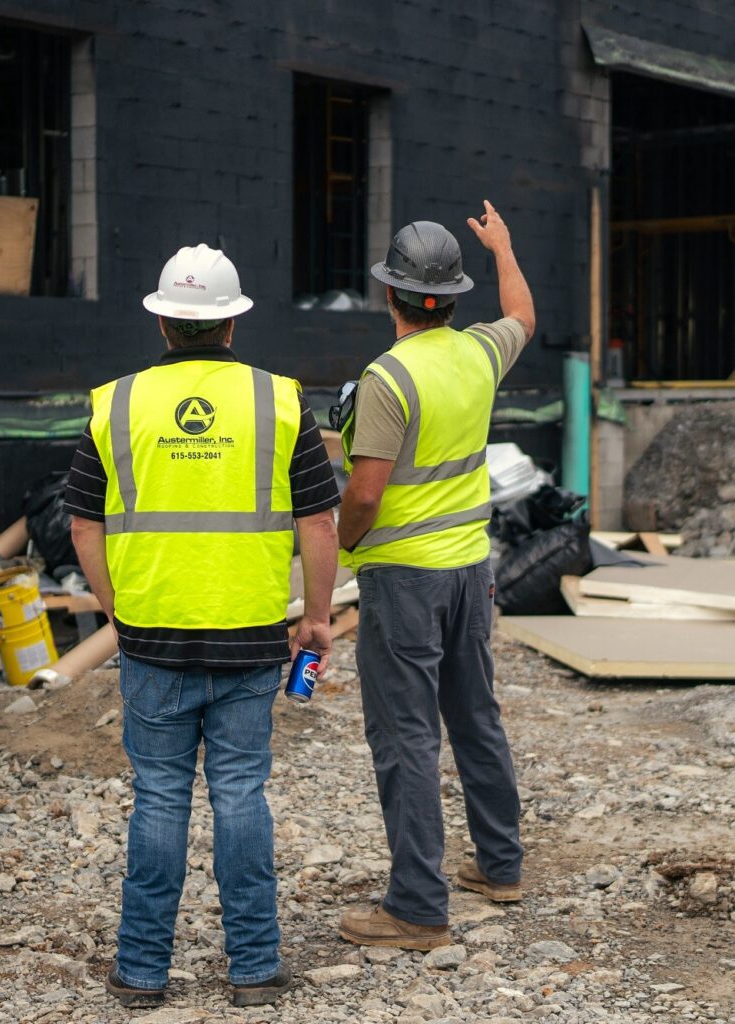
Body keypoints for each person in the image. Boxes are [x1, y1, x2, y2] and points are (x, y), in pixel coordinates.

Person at [65, 243, 340, 1007]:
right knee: (241, 793)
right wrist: (315, 617)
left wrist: (118, 605)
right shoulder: (280, 401)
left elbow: (83, 523)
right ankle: (253, 970)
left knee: (157, 795)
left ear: (161, 320)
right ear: (230, 324)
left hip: (152, 634)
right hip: (251, 634)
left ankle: (142, 973)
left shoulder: (113, 403)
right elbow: (317, 522)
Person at [335, 204, 535, 950]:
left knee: (406, 736)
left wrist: (343, 545)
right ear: (451, 297)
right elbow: (520, 312)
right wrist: (503, 249)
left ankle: (417, 908)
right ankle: (500, 865)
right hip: (466, 569)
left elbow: (363, 492)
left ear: (390, 294)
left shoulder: (387, 378)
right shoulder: (480, 354)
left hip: (405, 578)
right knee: (474, 714)